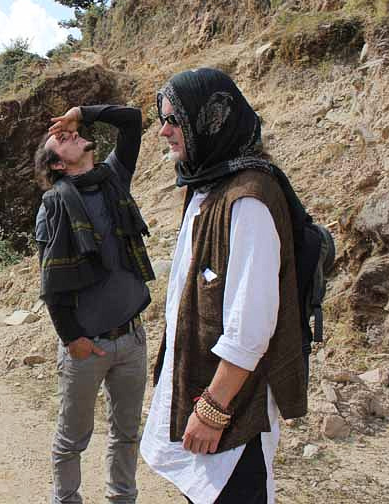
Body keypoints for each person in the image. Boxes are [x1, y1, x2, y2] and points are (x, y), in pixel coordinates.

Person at [140, 68, 307, 504]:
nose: (164, 131)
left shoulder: (248, 199)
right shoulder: (206, 186)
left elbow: (251, 326)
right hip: (205, 390)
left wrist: (213, 409)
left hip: (234, 406)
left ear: (210, 121)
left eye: (175, 120)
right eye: (163, 118)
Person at [34, 103, 155, 504]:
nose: (67, 133)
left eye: (68, 131)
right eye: (59, 139)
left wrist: (81, 113)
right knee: (72, 440)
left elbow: (132, 121)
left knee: (126, 435)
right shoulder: (53, 206)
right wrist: (73, 339)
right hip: (87, 347)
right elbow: (51, 281)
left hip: (132, 339)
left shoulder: (113, 179)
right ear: (57, 166)